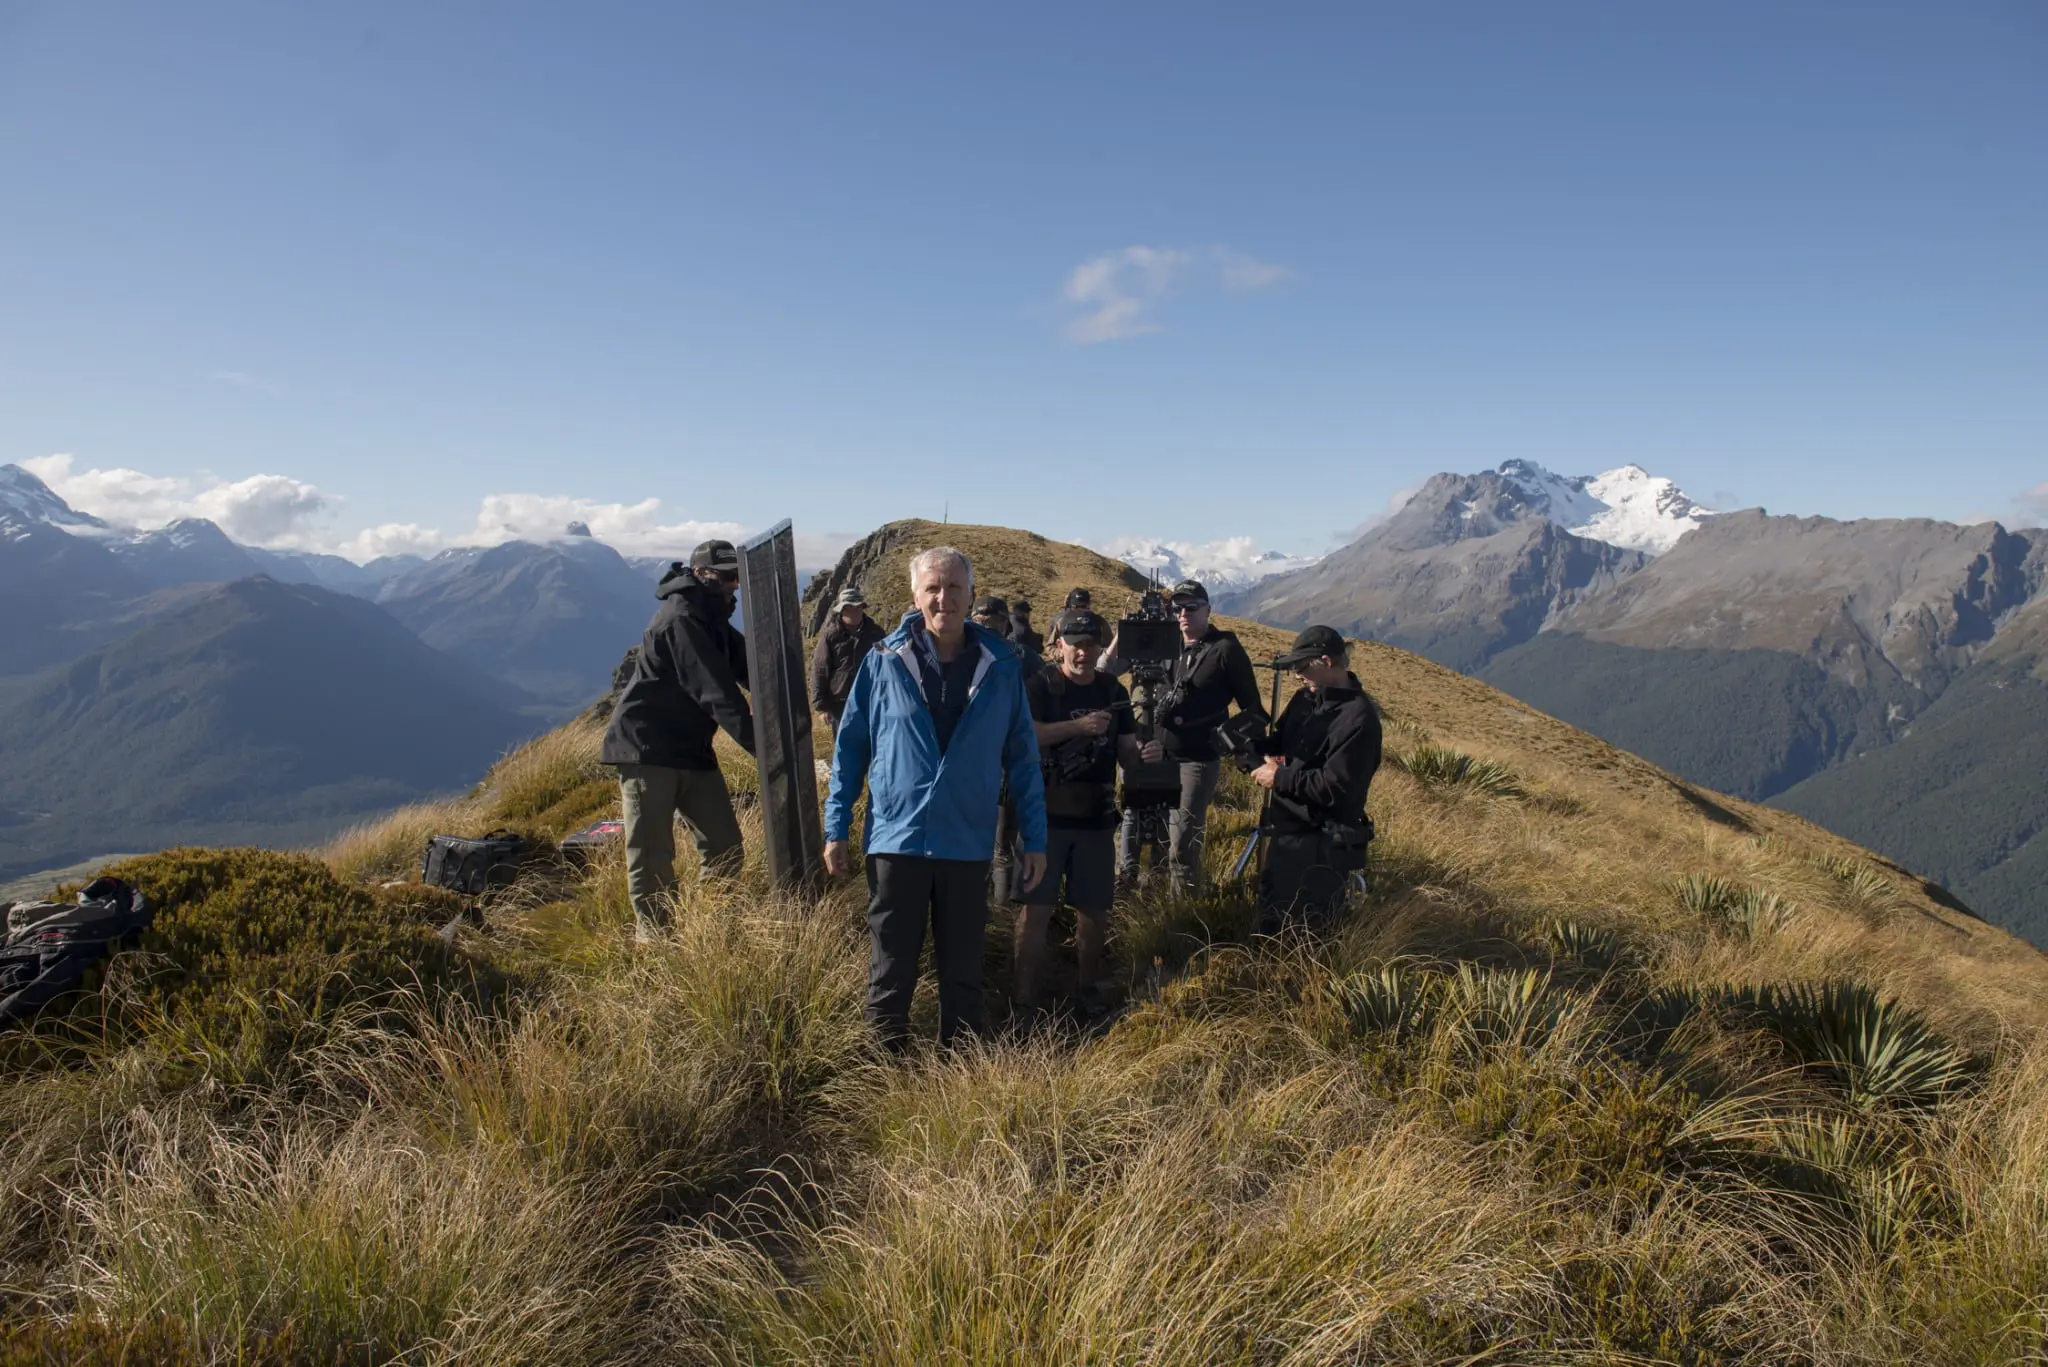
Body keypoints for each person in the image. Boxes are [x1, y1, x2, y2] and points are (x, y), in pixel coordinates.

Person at [824, 547, 1047, 1049]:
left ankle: (960, 1082)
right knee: (890, 972)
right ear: (915, 594)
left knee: (963, 974)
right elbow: (851, 748)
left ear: (970, 594)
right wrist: (835, 826)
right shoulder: (882, 662)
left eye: (953, 587)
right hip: (896, 841)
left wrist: (1035, 836)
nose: (942, 597)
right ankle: (882, 1076)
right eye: (932, 587)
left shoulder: (1001, 667)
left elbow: (1024, 759)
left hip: (966, 843)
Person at [600, 539, 755, 940]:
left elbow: (751, 667)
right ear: (701, 575)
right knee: (653, 856)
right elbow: (716, 691)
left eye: (736, 577)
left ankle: (711, 928)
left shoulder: (713, 618)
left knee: (725, 848)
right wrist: (767, 750)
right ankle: (656, 947)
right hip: (647, 749)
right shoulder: (680, 618)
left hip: (691, 750)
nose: (733, 586)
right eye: (725, 577)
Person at [1014, 610, 1162, 1025]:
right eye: (1074, 643)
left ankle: (1087, 988)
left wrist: (1146, 756)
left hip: (1096, 819)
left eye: (1090, 645)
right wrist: (1077, 727)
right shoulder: (1041, 685)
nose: (1081, 652)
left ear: (1101, 647)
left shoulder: (1113, 691)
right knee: (1035, 911)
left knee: (1095, 911)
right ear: (1059, 644)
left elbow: (1129, 755)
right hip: (1043, 819)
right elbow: (1026, 735)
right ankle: (1024, 999)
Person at [1104, 579, 1267, 891]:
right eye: (1178, 608)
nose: (1183, 614)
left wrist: (1229, 746)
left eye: (1192, 607)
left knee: (1183, 841)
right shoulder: (1163, 644)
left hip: (1196, 759)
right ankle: (1151, 905)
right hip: (1153, 755)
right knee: (1149, 834)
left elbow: (1253, 709)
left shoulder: (1225, 649)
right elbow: (1105, 671)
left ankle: (1183, 914)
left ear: (1208, 609)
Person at [1249, 625, 1383, 933]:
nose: (1296, 673)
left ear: (1326, 661)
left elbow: (1336, 787)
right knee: (1272, 920)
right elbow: (1282, 741)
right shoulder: (1305, 699)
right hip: (1287, 834)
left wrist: (1279, 777)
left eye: (1302, 666)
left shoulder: (1359, 718)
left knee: (1308, 933)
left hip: (1322, 846)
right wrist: (1252, 748)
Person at [972, 593, 1038, 903]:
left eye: (996, 624)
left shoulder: (1022, 658)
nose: (990, 629)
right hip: (976, 766)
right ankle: (998, 907)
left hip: (1008, 763)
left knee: (1003, 839)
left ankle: (1002, 910)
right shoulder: (960, 658)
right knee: (996, 839)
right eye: (983, 623)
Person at [810, 585, 885, 736]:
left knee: (872, 745)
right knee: (845, 746)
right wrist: (823, 706)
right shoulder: (831, 636)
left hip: (871, 699)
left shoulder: (876, 633)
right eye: (851, 608)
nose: (856, 611)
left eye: (858, 607)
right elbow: (820, 669)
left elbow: (887, 666)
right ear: (842, 610)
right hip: (841, 703)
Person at [1009, 597, 1046, 663]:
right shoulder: (1022, 629)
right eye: (1027, 612)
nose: (1028, 614)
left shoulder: (1010, 619)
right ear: (1020, 612)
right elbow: (1036, 647)